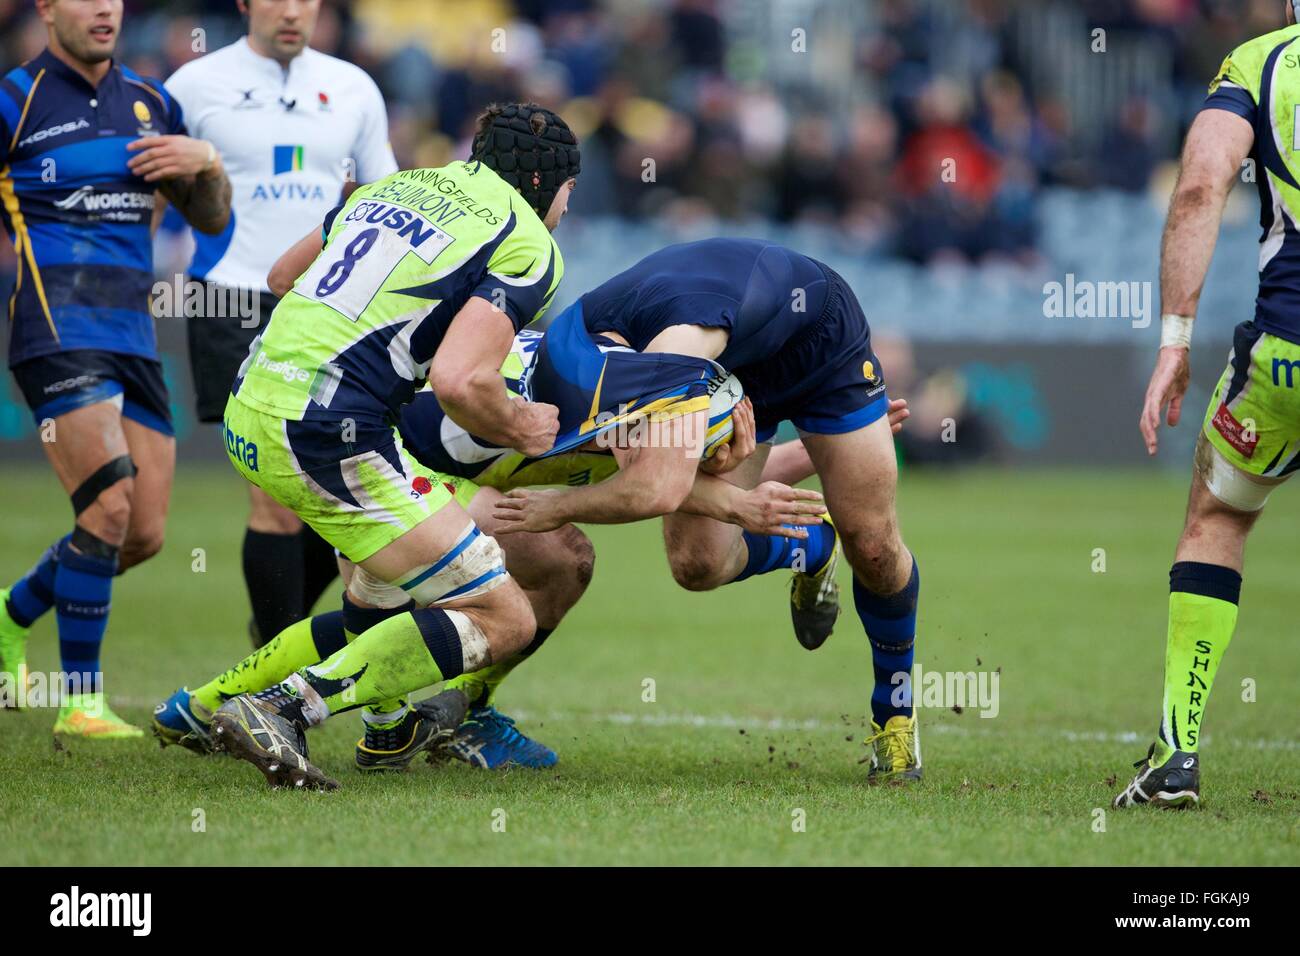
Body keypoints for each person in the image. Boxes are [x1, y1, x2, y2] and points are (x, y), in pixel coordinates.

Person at [157, 103, 582, 790]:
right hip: (327, 430)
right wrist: (519, 423)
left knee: (374, 602)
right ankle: (282, 707)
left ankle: (210, 708)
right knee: (506, 616)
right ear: (546, 182)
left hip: (254, 405)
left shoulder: (390, 187)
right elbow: (457, 382)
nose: (567, 208)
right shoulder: (528, 237)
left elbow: (282, 278)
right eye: (569, 192)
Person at [477, 239, 924, 782]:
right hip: (724, 367)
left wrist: (558, 507)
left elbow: (651, 485)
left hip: (817, 343)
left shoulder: (663, 360)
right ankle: (810, 544)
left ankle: (893, 717)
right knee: (699, 564)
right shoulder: (596, 344)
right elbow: (653, 476)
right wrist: (747, 491)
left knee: (873, 544)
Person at [0, 0, 231, 736]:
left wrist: (208, 164)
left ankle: (11, 615)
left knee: (142, 534)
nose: (105, 9)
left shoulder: (151, 102)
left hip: (133, 335)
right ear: (46, 9)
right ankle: (81, 704)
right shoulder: (14, 99)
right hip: (55, 326)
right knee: (108, 502)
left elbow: (211, 219)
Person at [164, 0, 398, 648]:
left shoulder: (354, 87)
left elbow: (383, 193)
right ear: (244, 4)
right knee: (274, 496)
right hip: (230, 300)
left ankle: (278, 633)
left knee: (340, 498)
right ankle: (278, 665)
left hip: (323, 305)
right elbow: (150, 192)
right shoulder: (191, 85)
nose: (292, 11)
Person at [1114, 2, 1300, 809]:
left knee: (1217, 517)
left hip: (1286, 359)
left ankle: (1177, 754)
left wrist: (1174, 342)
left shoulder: (1260, 63)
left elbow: (1199, 189)